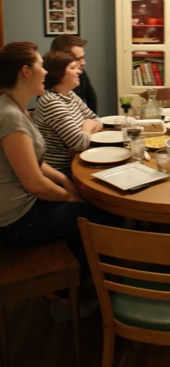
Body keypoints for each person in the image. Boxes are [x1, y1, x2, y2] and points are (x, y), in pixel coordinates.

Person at [0, 42, 117, 318]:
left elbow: (37, 162)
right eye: (41, 66)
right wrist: (69, 197)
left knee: (91, 209)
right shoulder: (11, 117)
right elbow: (34, 183)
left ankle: (82, 278)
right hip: (17, 218)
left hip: (27, 205)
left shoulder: (14, 107)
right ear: (26, 72)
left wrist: (67, 185)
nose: (45, 72)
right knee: (102, 219)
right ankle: (65, 293)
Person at [33, 49, 102, 178]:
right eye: (72, 68)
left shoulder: (69, 94)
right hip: (61, 170)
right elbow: (79, 143)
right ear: (58, 73)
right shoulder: (52, 102)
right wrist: (87, 125)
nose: (79, 71)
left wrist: (83, 134)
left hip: (76, 160)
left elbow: (97, 120)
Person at [51, 34, 98, 113]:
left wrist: (92, 118)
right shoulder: (48, 87)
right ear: (60, 59)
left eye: (83, 58)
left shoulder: (81, 74)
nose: (83, 63)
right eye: (78, 59)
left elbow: (91, 98)